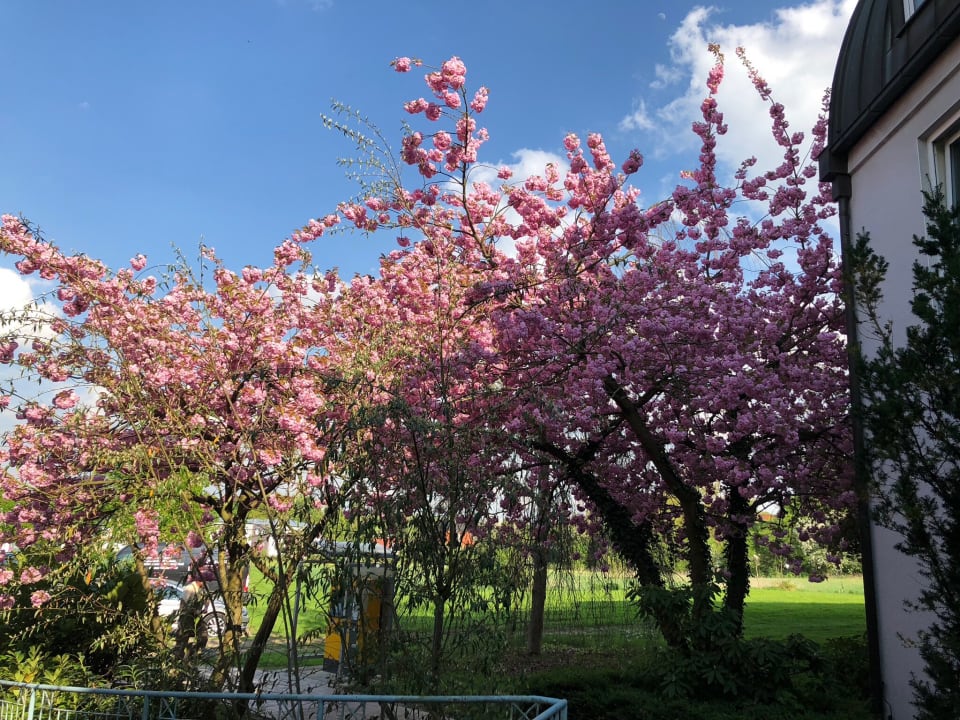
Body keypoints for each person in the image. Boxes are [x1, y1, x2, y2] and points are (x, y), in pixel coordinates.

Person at [174, 574, 208, 660]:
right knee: (183, 638)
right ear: (199, 581)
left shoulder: (203, 588)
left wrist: (206, 608)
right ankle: (178, 658)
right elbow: (184, 603)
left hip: (197, 617)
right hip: (186, 616)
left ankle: (192, 653)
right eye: (204, 581)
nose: (205, 583)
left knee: (203, 636)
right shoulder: (190, 588)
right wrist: (191, 610)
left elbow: (207, 598)